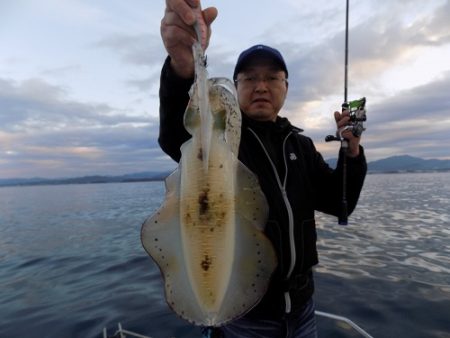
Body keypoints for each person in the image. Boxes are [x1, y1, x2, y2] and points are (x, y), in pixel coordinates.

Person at [158, 1, 367, 337]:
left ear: (286, 86)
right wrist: (182, 66)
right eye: (250, 78)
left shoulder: (299, 146)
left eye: (272, 78)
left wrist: (352, 153)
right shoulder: (222, 141)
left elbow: (338, 201)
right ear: (237, 87)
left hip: (302, 308)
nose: (261, 86)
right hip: (246, 315)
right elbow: (176, 135)